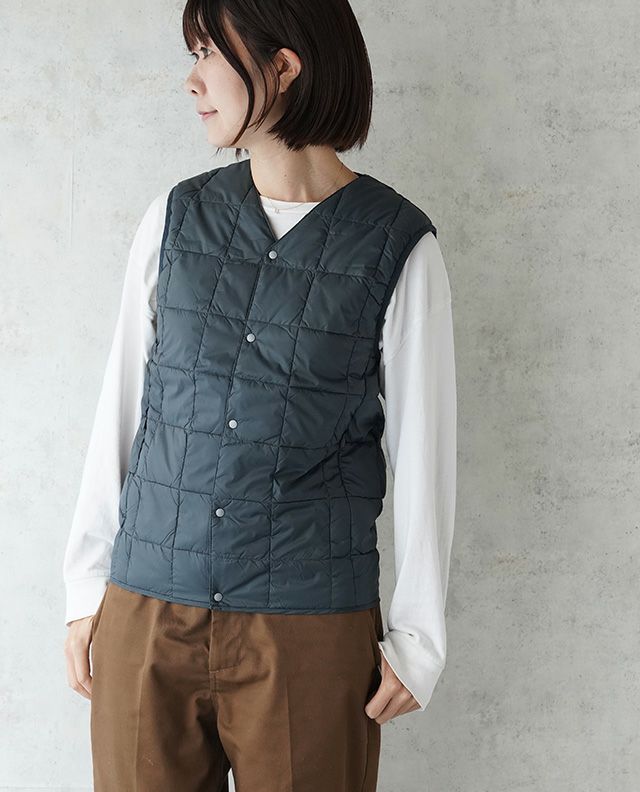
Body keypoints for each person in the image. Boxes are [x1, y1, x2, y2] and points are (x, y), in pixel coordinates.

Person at [62, 1, 456, 789]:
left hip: (308, 631)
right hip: (147, 614)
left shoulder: (397, 244)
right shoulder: (175, 218)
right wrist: (86, 588)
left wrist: (418, 639)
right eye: (194, 55)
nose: (193, 79)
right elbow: (125, 408)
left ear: (283, 66)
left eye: (211, 53)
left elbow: (425, 450)